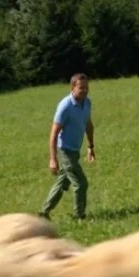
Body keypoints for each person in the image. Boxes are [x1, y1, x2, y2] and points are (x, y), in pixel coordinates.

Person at [39, 73, 96, 220]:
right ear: (72, 88)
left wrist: (90, 147)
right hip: (65, 151)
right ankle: (79, 216)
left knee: (62, 182)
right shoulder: (65, 106)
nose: (84, 90)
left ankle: (44, 212)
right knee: (81, 183)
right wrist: (53, 159)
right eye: (81, 87)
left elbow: (88, 125)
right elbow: (53, 133)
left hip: (75, 150)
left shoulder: (87, 103)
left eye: (86, 87)